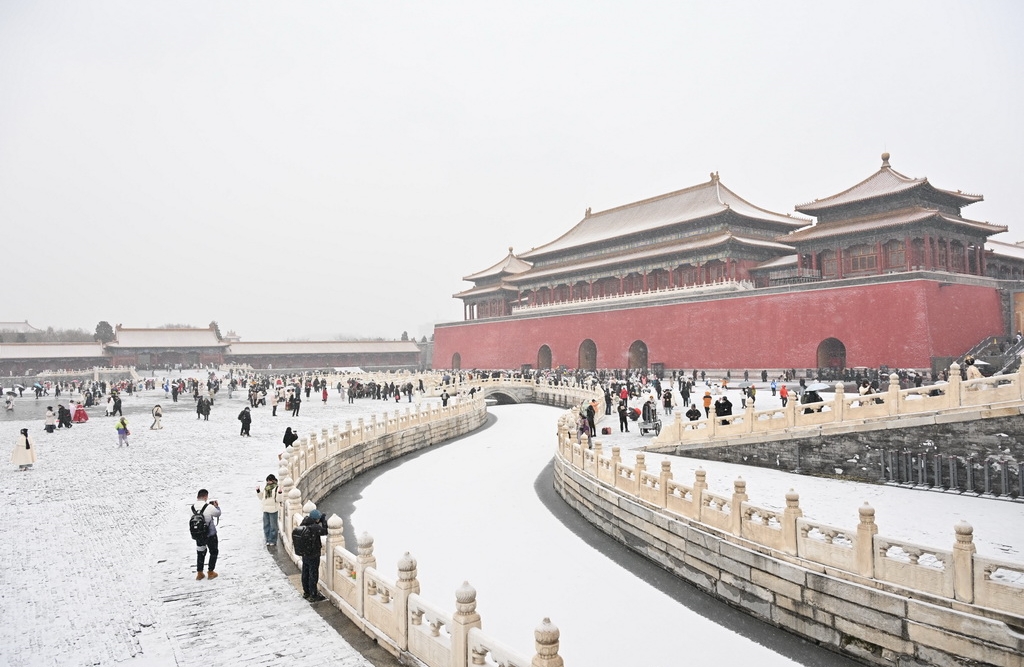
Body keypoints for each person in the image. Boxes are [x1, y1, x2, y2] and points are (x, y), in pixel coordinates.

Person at [296, 509, 328, 601]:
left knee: (305, 573)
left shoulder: (304, 523)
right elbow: (325, 531)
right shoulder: (315, 527)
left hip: (304, 553)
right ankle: (313, 595)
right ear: (316, 519)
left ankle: (306, 592)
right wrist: (324, 521)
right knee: (313, 574)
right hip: (313, 554)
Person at [193, 489, 221, 580]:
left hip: (198, 534)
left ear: (197, 497)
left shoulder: (192, 507)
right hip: (210, 534)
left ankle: (200, 573)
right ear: (205, 497)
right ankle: (210, 572)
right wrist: (216, 506)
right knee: (213, 552)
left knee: (200, 553)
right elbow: (217, 514)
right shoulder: (208, 507)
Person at [256, 474, 282, 546]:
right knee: (266, 525)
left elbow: (278, 499)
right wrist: (258, 491)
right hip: (265, 509)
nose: (268, 482)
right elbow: (262, 498)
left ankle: (273, 540)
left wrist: (280, 493)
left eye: (269, 481)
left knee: (273, 526)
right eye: (267, 481)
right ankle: (267, 539)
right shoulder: (266, 488)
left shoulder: (276, 488)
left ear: (273, 480)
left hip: (273, 509)